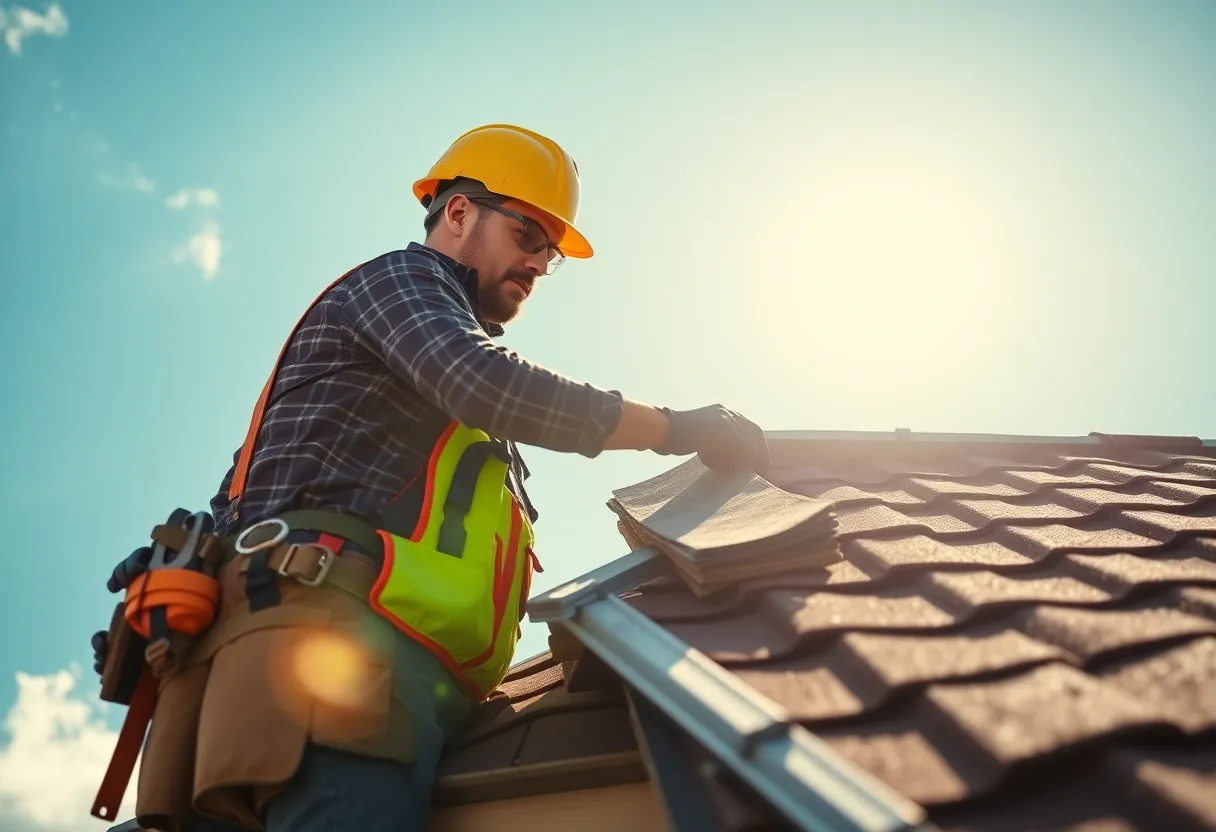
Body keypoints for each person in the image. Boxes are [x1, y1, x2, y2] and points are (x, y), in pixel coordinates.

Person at [99, 123, 769, 831]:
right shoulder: (403, 280)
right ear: (458, 214)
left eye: (551, 252)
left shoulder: (410, 380)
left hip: (359, 669)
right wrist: (680, 428)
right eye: (529, 235)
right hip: (337, 662)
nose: (540, 263)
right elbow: (491, 385)